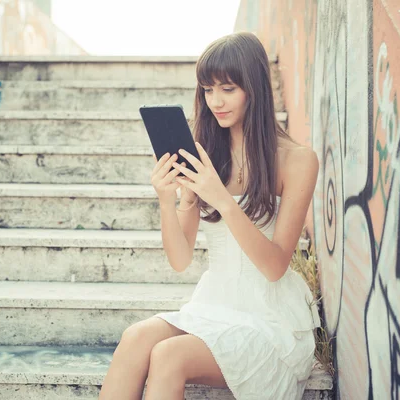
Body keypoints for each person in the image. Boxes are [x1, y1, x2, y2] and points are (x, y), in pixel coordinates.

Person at [99, 32, 321, 400]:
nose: (215, 101)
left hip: (269, 318)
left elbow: (275, 266)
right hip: (214, 304)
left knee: (168, 355)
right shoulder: (206, 153)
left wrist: (222, 198)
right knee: (136, 337)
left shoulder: (297, 160)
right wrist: (167, 200)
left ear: (254, 90)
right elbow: (180, 259)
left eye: (228, 89)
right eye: (207, 90)